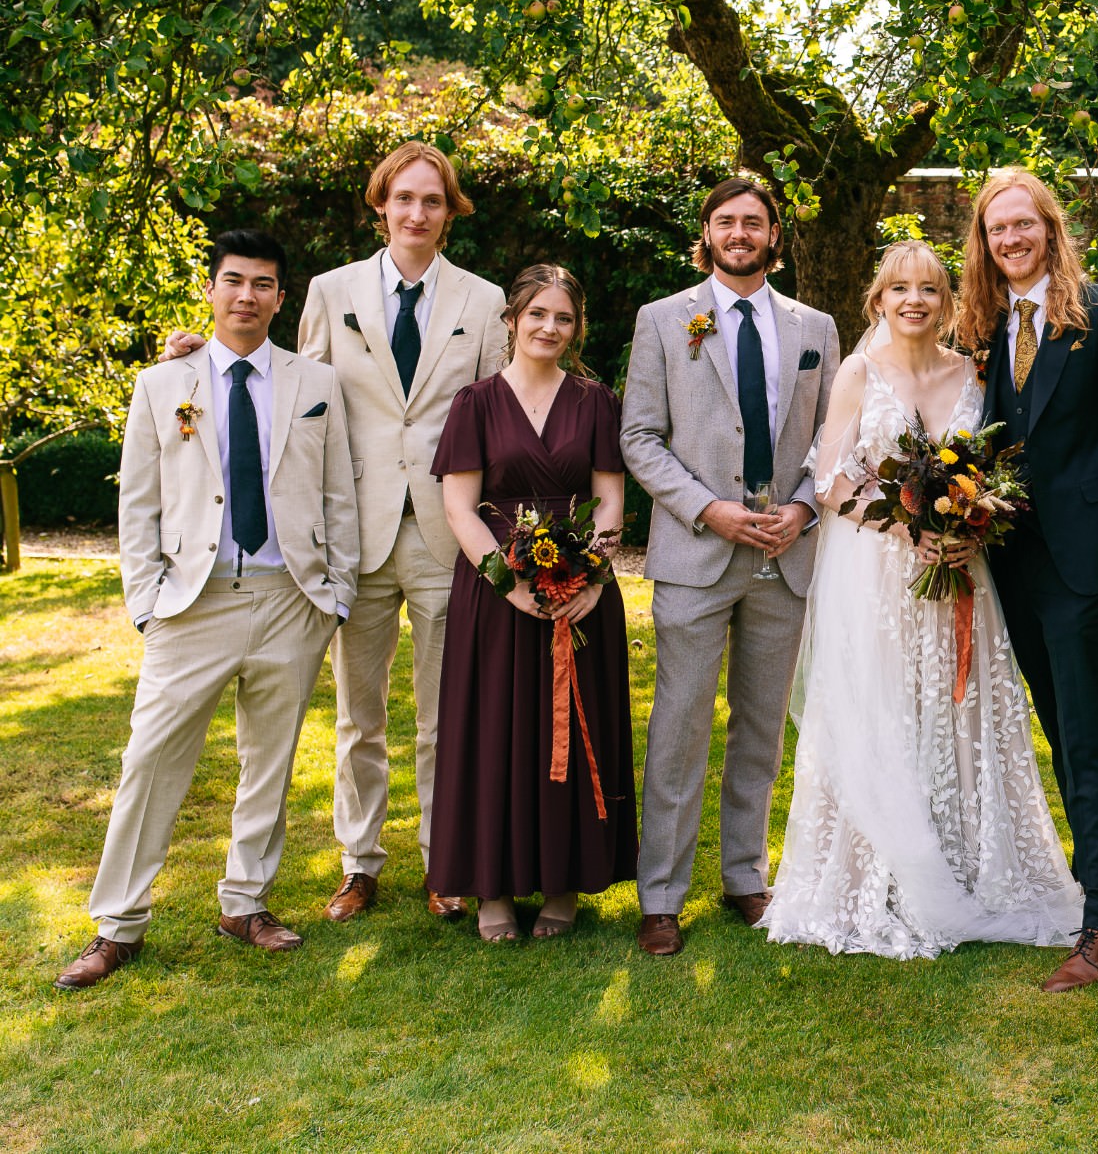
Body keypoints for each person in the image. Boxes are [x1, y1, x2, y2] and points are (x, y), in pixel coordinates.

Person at [159, 141, 507, 925]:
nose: (417, 212)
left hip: (448, 532)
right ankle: (361, 863)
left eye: (433, 200)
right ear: (380, 204)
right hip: (351, 531)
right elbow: (287, 386)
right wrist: (196, 350)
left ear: (450, 212)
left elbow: (497, 412)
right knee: (359, 713)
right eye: (403, 198)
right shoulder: (330, 288)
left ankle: (443, 860)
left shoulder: (483, 303)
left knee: (446, 708)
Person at [759, 242, 1085, 957]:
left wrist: (971, 524)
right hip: (878, 576)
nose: (914, 300)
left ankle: (971, 867)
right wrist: (912, 529)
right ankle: (880, 880)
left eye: (930, 289)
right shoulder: (857, 372)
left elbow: (995, 472)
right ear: (878, 300)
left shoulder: (969, 370)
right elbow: (832, 481)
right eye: (900, 288)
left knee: (957, 709)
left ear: (946, 300)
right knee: (886, 710)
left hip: (962, 575)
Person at [57, 231, 359, 990]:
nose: (247, 296)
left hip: (290, 598)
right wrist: (146, 606)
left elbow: (338, 495)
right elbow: (139, 502)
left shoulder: (314, 380)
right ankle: (117, 923)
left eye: (263, 283)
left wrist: (336, 594)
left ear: (281, 297)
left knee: (271, 761)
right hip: (190, 605)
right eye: (233, 281)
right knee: (150, 761)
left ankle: (245, 901)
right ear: (212, 289)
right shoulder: (165, 384)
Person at [622, 177, 841, 956]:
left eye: (754, 221)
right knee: (679, 725)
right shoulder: (663, 320)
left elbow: (832, 440)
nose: (740, 232)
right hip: (698, 551)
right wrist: (707, 508)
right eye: (726, 221)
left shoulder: (815, 326)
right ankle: (661, 896)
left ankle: (746, 876)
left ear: (774, 234)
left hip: (784, 557)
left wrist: (806, 507)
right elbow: (640, 437)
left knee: (760, 728)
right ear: (707, 233)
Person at [957, 167, 1098, 992]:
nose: (1011, 240)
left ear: (1049, 227)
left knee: (1083, 731)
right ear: (984, 240)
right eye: (996, 229)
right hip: (1004, 560)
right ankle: (1080, 891)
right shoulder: (978, 323)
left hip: (1083, 564)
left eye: (1023, 225)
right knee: (1047, 724)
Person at [427, 265, 638, 941]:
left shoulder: (596, 400)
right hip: (497, 595)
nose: (550, 327)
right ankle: (490, 887)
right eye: (538, 314)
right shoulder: (476, 402)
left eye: (564, 318)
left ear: (577, 328)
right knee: (493, 732)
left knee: (574, 730)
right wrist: (506, 580)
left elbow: (609, 496)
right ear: (513, 319)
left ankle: (563, 881)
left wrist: (595, 576)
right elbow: (459, 505)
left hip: (581, 595)